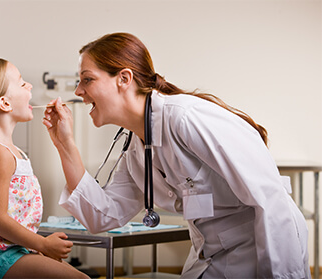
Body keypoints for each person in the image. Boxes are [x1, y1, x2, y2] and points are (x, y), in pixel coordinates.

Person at [43, 33, 310, 278]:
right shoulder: (137, 148)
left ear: (124, 79)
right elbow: (102, 216)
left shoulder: (186, 118)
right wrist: (65, 144)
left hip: (258, 258)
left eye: (87, 79)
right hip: (208, 260)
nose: (78, 91)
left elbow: (271, 200)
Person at [0, 58, 89, 279]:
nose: (30, 86)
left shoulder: (11, 151)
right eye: (22, 83)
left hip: (14, 252)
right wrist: (43, 245)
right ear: (5, 103)